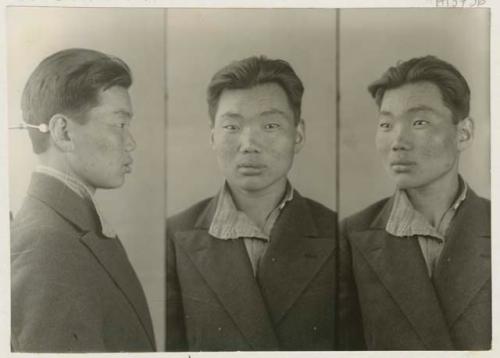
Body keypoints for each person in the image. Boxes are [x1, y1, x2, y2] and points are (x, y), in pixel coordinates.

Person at [166, 56, 337, 351]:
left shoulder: (338, 233)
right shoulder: (173, 237)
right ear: (212, 137)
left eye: (270, 126)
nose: (249, 144)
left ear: (298, 135)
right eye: (232, 127)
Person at [337, 55, 490, 350]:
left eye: (419, 122)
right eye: (385, 124)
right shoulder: (352, 237)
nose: (398, 140)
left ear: (464, 133)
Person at [10, 48, 156, 352]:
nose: (132, 142)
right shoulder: (47, 246)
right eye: (119, 124)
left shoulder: (66, 228)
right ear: (63, 133)